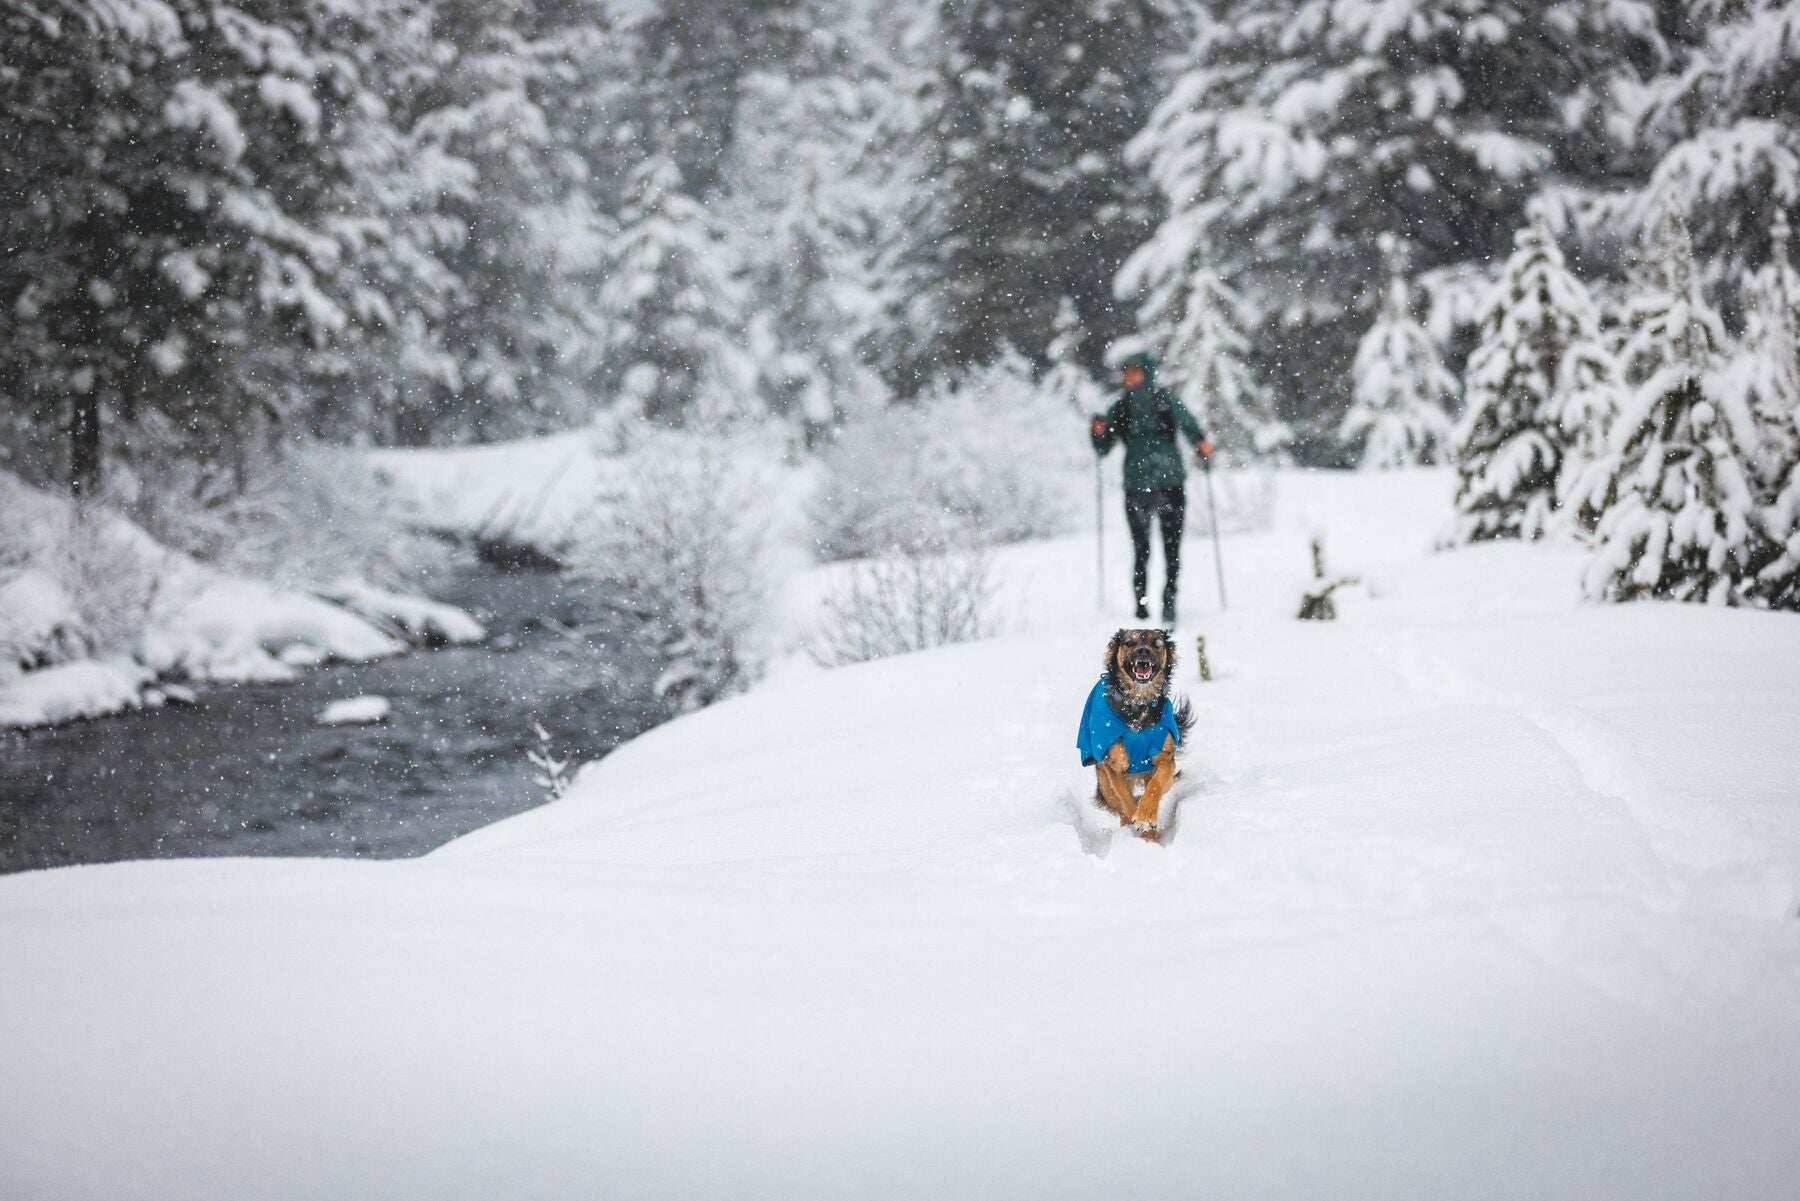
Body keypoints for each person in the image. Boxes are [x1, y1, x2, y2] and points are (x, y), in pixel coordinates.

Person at [1089, 351, 1213, 624]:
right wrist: (1097, 433)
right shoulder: (1122, 408)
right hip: (1142, 485)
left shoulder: (1163, 400)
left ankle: (1167, 601)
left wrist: (1200, 441)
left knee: (1170, 547)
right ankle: (1142, 603)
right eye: (1126, 373)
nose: (1129, 378)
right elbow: (1104, 447)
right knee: (1142, 547)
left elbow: (1189, 425)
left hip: (1165, 483)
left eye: (1134, 372)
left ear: (1147, 373)